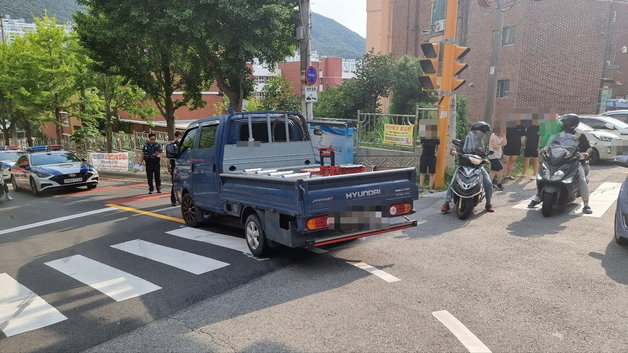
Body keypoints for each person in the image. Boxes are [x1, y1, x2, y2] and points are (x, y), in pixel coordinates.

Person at [528, 114, 593, 214]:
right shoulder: (559, 134)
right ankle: (537, 196)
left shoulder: (579, 134)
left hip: (573, 160)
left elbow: (588, 147)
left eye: (564, 122)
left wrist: (586, 153)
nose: (562, 124)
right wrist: (544, 150)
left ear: (570, 123)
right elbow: (551, 144)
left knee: (581, 179)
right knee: (542, 175)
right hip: (558, 160)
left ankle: (586, 204)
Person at [441, 121, 495, 213]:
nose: (482, 134)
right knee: (453, 181)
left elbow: (484, 154)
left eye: (484, 132)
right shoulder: (466, 139)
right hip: (464, 165)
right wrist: (454, 150)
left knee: (488, 183)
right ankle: (446, 203)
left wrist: (486, 159)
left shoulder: (482, 143)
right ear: (475, 131)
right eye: (482, 131)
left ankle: (488, 204)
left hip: (477, 167)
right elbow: (457, 146)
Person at [488, 125, 507, 191]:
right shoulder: (494, 136)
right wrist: (501, 144)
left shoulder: (500, 136)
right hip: (493, 155)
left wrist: (504, 136)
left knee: (493, 171)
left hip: (497, 155)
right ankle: (499, 184)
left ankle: (488, 183)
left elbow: (505, 143)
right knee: (500, 169)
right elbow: (495, 146)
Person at [168, 131, 183, 206]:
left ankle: (181, 199)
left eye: (181, 137)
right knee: (175, 184)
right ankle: (173, 200)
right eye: (179, 137)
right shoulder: (172, 145)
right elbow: (170, 156)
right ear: (176, 137)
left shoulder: (183, 145)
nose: (180, 139)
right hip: (175, 167)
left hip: (183, 167)